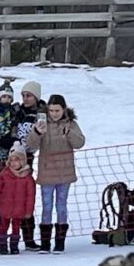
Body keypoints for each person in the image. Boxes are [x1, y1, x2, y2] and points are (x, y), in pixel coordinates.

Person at [26, 93, 85, 253]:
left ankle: (60, 242)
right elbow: (31, 145)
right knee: (46, 206)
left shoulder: (71, 124)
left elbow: (80, 143)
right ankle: (45, 243)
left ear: (63, 109)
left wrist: (69, 133)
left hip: (64, 171)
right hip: (47, 171)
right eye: (51, 111)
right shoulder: (41, 123)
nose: (54, 114)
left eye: (57, 110)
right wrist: (37, 132)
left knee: (61, 205)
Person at [10, 80, 46, 250]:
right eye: (23, 95)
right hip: (14, 156)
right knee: (10, 197)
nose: (25, 98)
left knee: (26, 198)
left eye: (29, 95)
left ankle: (28, 237)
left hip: (30, 156)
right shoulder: (16, 112)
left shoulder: (41, 114)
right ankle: (6, 236)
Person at [0, 142, 35, 255]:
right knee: (3, 226)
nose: (13, 163)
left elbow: (31, 196)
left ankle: (14, 245)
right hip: (5, 207)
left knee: (16, 227)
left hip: (19, 209)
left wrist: (29, 211)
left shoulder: (28, 178)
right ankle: (3, 245)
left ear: (23, 161)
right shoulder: (4, 174)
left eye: (17, 160)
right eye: (11, 160)